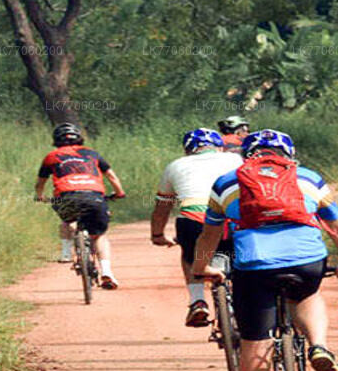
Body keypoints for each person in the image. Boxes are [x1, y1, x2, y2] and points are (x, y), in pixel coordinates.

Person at [191, 129, 338, 371]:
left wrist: (201, 269)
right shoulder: (308, 178)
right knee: (308, 294)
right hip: (306, 261)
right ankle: (319, 346)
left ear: (246, 157)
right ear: (289, 155)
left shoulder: (226, 183)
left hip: (255, 266)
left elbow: (209, 235)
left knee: (255, 342)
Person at [150, 128, 244, 327]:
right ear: (220, 147)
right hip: (231, 220)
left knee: (190, 255)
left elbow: (163, 207)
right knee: (241, 257)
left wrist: (157, 234)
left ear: (187, 150)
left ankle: (197, 301)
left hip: (194, 221)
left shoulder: (175, 166)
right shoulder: (235, 160)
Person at [34, 123, 127, 289]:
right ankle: (107, 271)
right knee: (99, 235)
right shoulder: (92, 154)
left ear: (56, 140)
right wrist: (119, 193)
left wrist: (40, 196)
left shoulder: (52, 156)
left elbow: (40, 182)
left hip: (66, 197)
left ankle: (66, 253)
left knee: (67, 220)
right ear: (79, 138)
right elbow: (111, 176)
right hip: (94, 197)